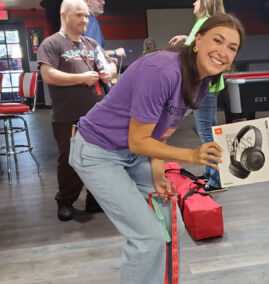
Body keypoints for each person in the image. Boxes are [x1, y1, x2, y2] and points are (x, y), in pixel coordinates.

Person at [69, 14, 244, 284]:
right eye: (217, 41)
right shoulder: (163, 70)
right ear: (198, 41)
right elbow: (138, 140)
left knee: (169, 222)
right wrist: (192, 155)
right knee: (146, 236)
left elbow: (160, 132)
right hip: (97, 151)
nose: (223, 52)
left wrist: (158, 173)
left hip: (133, 153)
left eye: (232, 47)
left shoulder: (201, 82)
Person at [37, 0, 116, 221]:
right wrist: (80, 78)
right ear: (64, 15)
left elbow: (109, 64)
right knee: (70, 160)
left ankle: (94, 199)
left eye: (86, 16)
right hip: (68, 115)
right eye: (79, 15)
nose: (84, 20)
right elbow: (48, 75)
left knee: (99, 158)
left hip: (98, 116)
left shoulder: (91, 44)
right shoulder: (52, 44)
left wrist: (109, 71)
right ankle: (65, 201)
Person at [169, 0, 226, 193]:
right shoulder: (212, 22)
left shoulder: (205, 23)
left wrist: (185, 44)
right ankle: (211, 173)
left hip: (204, 86)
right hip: (211, 84)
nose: (194, 3)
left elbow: (197, 52)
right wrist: (187, 38)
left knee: (206, 134)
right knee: (212, 131)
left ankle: (217, 180)